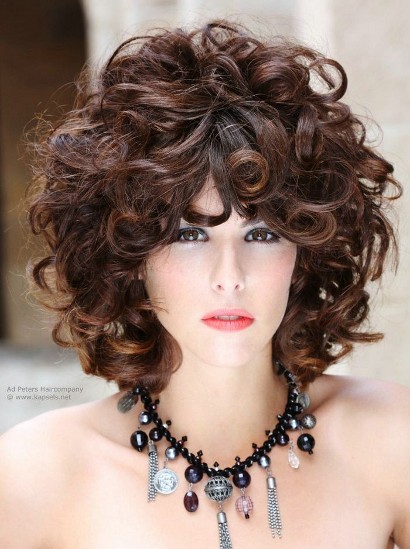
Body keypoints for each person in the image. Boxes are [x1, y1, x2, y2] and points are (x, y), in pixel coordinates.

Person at [0, 19, 409, 549]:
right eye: (190, 234)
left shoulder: (389, 439)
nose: (229, 277)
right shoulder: (38, 473)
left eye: (262, 234)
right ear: (130, 252)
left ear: (306, 250)